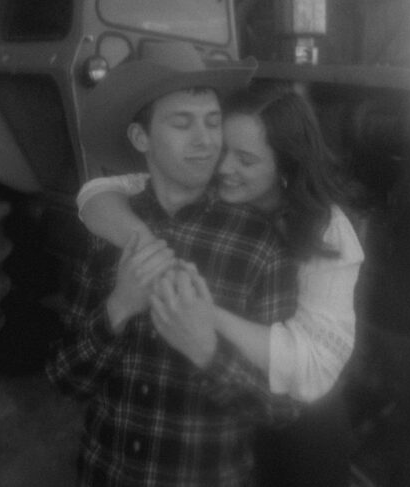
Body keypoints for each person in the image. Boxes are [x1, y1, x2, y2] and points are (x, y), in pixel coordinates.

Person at [74, 80, 365, 487]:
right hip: (220, 412)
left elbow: (314, 368)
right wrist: (148, 252)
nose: (224, 166)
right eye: (223, 148)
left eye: (245, 159)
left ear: (286, 164)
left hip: (305, 406)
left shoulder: (325, 231)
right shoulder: (207, 191)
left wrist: (205, 318)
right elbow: (98, 193)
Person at [47, 41, 302, 486]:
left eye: (213, 122)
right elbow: (64, 378)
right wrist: (119, 308)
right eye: (182, 124)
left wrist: (207, 352)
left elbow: (281, 408)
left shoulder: (260, 247)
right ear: (141, 138)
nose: (206, 142)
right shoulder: (107, 232)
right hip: (105, 473)